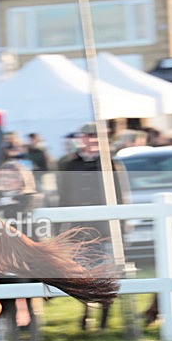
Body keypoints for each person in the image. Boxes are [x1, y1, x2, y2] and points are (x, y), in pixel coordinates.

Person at [56, 123, 118, 330]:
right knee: (82, 275)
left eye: (94, 136)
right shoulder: (69, 165)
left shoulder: (110, 164)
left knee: (105, 274)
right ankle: (87, 313)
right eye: (86, 136)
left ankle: (103, 322)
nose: (90, 140)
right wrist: (60, 231)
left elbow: (121, 197)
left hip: (104, 229)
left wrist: (121, 229)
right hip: (79, 230)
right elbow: (63, 198)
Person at [0, 161, 43, 341]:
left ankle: (34, 339)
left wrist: (4, 208)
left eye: (12, 177)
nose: (7, 180)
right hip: (2, 255)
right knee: (6, 300)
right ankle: (13, 340)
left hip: (24, 255)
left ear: (21, 179)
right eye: (4, 176)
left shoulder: (30, 197)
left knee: (28, 296)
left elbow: (18, 214)